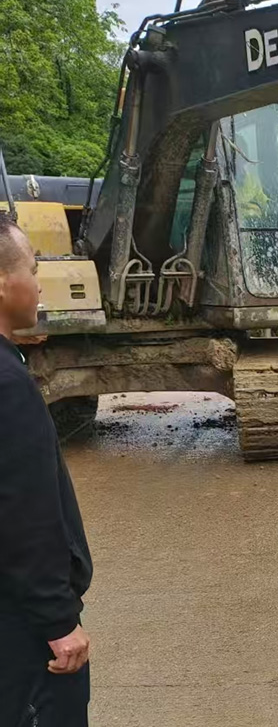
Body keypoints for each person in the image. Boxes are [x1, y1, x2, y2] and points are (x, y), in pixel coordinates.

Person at [0, 212, 92, 726]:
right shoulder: (7, 387)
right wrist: (58, 621)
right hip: (20, 627)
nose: (38, 284)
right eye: (32, 269)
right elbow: (22, 515)